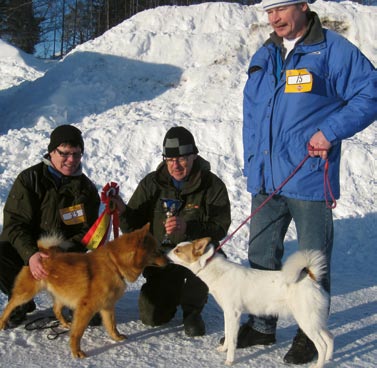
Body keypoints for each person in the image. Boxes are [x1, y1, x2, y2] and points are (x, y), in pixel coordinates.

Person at [238, 0, 377, 365]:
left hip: (309, 176)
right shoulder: (265, 53)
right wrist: (253, 162)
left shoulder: (331, 50)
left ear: (302, 6)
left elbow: (370, 92)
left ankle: (308, 332)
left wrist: (329, 131)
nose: (274, 19)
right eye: (268, 12)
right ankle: (262, 324)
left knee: (312, 263)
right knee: (261, 255)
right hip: (267, 178)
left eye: (280, 9)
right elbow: (253, 115)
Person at [114, 126, 231, 337]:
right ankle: (173, 289)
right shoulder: (152, 183)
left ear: (194, 155)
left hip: (195, 255)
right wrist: (122, 211)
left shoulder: (212, 185)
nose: (175, 165)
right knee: (152, 317)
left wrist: (188, 228)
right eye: (169, 160)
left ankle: (192, 310)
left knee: (212, 256)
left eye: (182, 159)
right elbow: (134, 228)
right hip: (163, 257)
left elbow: (220, 226)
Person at [0, 124, 100, 326]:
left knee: (91, 317)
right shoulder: (29, 179)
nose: (71, 160)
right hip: (29, 251)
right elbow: (14, 224)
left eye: (76, 154)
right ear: (52, 151)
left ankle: (69, 301)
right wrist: (31, 255)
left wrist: (63, 254)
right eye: (64, 153)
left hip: (65, 256)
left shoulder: (86, 189)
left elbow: (86, 232)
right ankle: (20, 302)